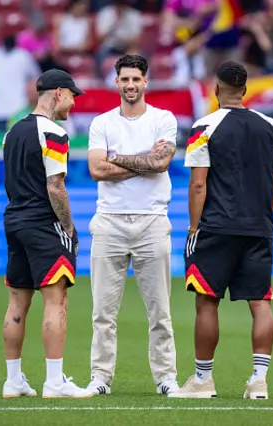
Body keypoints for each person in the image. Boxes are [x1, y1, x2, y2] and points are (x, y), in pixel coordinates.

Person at [169, 61, 273, 400]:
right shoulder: (272, 127)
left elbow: (198, 185)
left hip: (216, 228)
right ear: (246, 90)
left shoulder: (204, 127)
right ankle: (259, 382)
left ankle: (203, 381)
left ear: (216, 88)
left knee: (207, 303)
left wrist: (194, 228)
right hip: (258, 227)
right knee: (261, 302)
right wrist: (262, 215)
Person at [85, 54, 179, 396]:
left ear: (146, 81)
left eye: (136, 79)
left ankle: (166, 377)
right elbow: (97, 170)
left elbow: (163, 161)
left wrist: (118, 157)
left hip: (152, 219)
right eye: (124, 79)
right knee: (102, 312)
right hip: (109, 220)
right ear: (116, 82)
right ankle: (100, 377)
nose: (130, 85)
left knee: (160, 311)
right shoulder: (102, 123)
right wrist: (146, 160)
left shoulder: (163, 119)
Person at [1, 69, 92, 399]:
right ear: (57, 93)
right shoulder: (54, 132)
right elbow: (55, 186)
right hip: (43, 223)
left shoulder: (11, 133)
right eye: (72, 96)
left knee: (16, 301)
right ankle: (54, 382)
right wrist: (68, 226)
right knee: (56, 300)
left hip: (14, 219)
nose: (73, 103)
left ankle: (13, 381)